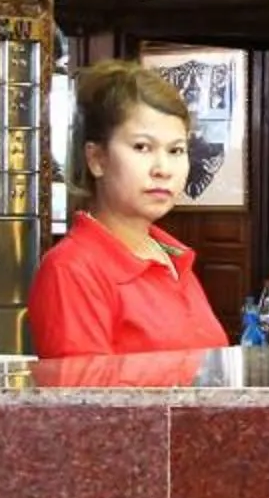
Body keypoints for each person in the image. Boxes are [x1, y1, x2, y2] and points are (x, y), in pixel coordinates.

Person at [27, 58, 231, 360]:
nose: (163, 169)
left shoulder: (174, 258)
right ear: (97, 159)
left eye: (176, 150)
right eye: (142, 147)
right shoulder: (71, 269)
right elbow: (83, 389)